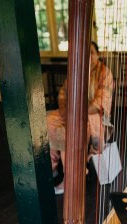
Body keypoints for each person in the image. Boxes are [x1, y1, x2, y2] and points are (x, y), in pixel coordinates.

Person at [47, 41, 114, 194]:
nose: (88, 56)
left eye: (91, 52)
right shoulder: (76, 71)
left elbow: (99, 104)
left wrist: (77, 113)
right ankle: (52, 167)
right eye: (85, 53)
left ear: (98, 55)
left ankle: (71, 179)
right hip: (71, 113)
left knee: (69, 132)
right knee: (48, 121)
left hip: (93, 115)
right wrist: (68, 112)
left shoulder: (105, 72)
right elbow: (63, 95)